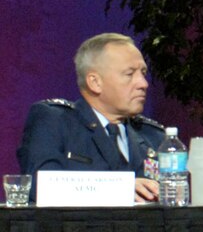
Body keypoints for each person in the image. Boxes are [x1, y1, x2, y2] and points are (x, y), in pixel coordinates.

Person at [17, 33, 171, 202]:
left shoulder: (154, 136)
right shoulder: (55, 120)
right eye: (129, 74)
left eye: (143, 73)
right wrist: (119, 189)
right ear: (95, 82)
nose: (143, 83)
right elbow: (41, 186)